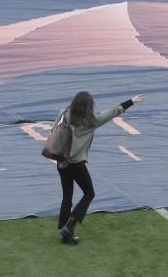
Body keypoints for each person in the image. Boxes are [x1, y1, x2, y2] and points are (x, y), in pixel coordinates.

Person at [55, 91, 144, 245]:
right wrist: (131, 101)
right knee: (89, 194)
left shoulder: (63, 113)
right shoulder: (91, 122)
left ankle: (65, 233)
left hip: (61, 162)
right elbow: (112, 112)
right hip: (76, 163)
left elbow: (53, 130)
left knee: (67, 197)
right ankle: (69, 226)